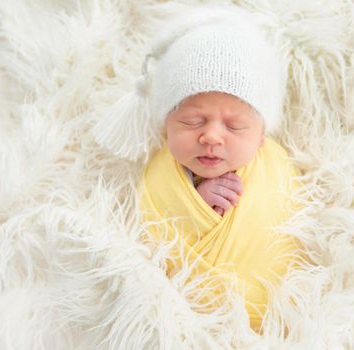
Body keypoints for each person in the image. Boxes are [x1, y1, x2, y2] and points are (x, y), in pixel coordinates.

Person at [95, 11, 303, 332]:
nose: (211, 137)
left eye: (235, 126)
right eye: (192, 122)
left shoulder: (276, 166)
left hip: (264, 310)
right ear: (166, 125)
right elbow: (154, 219)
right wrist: (195, 200)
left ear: (261, 135)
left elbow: (287, 220)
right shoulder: (161, 171)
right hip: (184, 316)